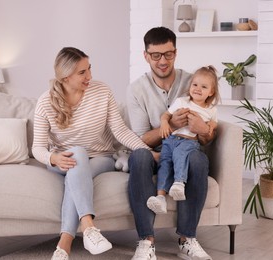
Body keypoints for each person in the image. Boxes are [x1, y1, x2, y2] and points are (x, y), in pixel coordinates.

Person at [32, 47, 156, 260]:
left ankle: (65, 244)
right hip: (62, 161)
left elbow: (120, 130)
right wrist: (53, 158)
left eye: (89, 69)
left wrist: (147, 151)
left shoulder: (101, 91)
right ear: (65, 76)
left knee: (78, 168)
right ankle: (88, 227)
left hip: (101, 157)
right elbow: (38, 148)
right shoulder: (45, 102)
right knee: (77, 154)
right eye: (82, 72)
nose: (89, 76)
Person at [127, 27, 216, 260]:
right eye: (156, 55)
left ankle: (188, 239)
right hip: (154, 154)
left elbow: (208, 135)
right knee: (138, 156)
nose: (163, 61)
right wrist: (172, 125)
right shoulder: (137, 89)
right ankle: (146, 241)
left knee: (198, 158)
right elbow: (141, 139)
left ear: (175, 52)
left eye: (168, 54)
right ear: (146, 55)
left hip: (186, 152)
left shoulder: (193, 81)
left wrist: (204, 130)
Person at [146, 65, 220, 215]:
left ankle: (179, 182)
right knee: (164, 164)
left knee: (180, 154)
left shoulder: (211, 109)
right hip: (170, 140)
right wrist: (165, 123)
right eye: (195, 84)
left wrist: (210, 126)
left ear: (211, 92)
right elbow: (165, 115)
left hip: (188, 141)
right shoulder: (182, 101)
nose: (198, 89)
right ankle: (160, 198)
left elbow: (214, 124)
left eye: (204, 87)